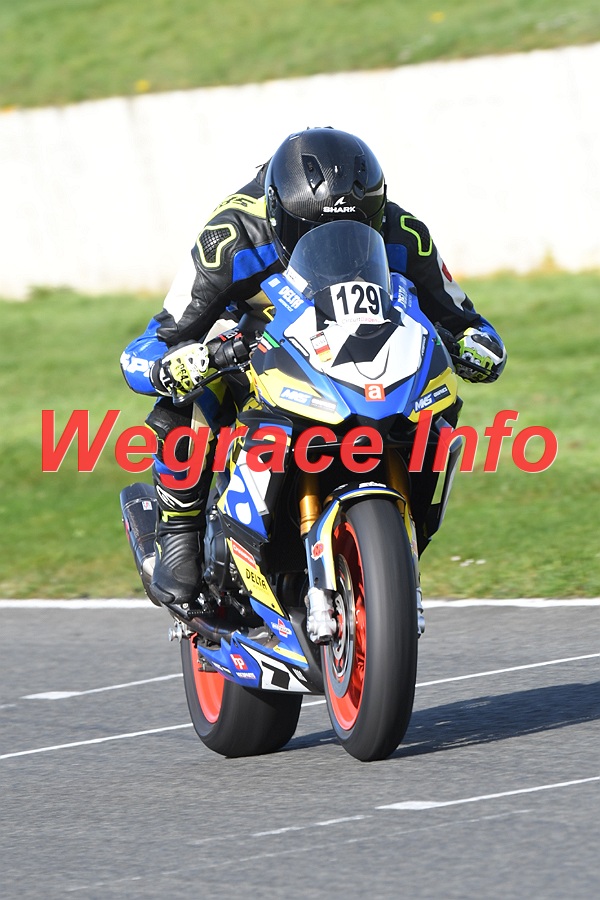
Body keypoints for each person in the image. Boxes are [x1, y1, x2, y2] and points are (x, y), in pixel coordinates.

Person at [120, 127, 506, 612]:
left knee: (438, 391)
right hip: (254, 347)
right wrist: (177, 364)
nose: (335, 247)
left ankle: (392, 539)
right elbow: (150, 344)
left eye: (356, 229)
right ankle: (179, 529)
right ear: (278, 214)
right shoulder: (231, 236)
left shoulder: (405, 233)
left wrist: (474, 346)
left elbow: (467, 321)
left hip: (360, 359)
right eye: (310, 233)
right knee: (195, 384)